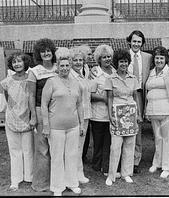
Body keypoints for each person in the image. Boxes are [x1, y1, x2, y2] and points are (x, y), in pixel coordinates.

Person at [41, 47, 83, 196]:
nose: (65, 68)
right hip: (55, 127)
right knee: (57, 157)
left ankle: (72, 183)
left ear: (70, 66)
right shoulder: (51, 82)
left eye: (67, 65)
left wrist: (81, 124)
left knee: (72, 155)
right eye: (62, 66)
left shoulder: (76, 82)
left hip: (73, 126)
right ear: (57, 67)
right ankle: (57, 187)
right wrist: (46, 126)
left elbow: (79, 105)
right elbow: (44, 105)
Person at [104, 49, 142, 186]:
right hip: (117, 113)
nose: (123, 64)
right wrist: (110, 115)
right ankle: (112, 175)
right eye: (121, 62)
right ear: (117, 63)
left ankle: (126, 173)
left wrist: (138, 115)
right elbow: (109, 98)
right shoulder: (110, 79)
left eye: (126, 61)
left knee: (129, 145)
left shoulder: (133, 78)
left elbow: (136, 97)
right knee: (115, 146)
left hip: (131, 113)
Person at [0, 52, 35, 191]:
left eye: (20, 61)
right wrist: (14, 114)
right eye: (14, 62)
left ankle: (29, 177)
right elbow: (7, 100)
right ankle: (15, 180)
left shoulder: (31, 79)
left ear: (25, 63)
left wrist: (31, 116)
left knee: (28, 150)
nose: (17, 64)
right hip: (12, 119)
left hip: (27, 118)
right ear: (11, 65)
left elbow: (31, 98)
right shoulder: (7, 81)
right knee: (14, 150)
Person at [145, 46, 169, 178]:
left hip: (168, 110)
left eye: (161, 58)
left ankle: (168, 166)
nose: (159, 60)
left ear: (165, 59)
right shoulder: (151, 72)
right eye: (157, 58)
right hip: (154, 111)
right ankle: (157, 162)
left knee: (168, 139)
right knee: (158, 138)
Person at [28, 38, 57, 192]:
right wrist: (33, 116)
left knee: (57, 148)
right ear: (39, 54)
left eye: (48, 50)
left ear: (53, 52)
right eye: (43, 51)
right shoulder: (34, 71)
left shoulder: (59, 68)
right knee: (42, 149)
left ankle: (57, 181)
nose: (46, 53)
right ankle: (41, 184)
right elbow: (31, 96)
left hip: (58, 112)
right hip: (40, 112)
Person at [126, 30, 152, 173]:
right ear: (130, 41)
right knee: (126, 126)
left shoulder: (148, 57)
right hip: (127, 95)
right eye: (134, 41)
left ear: (142, 43)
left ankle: (135, 160)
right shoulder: (123, 56)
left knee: (138, 128)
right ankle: (125, 158)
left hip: (141, 95)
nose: (136, 44)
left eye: (139, 42)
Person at [90, 44, 116, 176]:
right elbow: (90, 94)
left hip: (112, 114)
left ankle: (106, 164)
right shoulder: (95, 73)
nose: (107, 59)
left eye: (109, 56)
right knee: (99, 141)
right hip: (98, 114)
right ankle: (97, 164)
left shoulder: (115, 72)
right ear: (99, 59)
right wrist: (104, 99)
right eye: (104, 57)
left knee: (109, 141)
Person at [69, 46, 92, 183]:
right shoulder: (70, 76)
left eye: (80, 60)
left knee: (80, 146)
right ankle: (75, 174)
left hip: (86, 114)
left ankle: (78, 172)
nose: (78, 62)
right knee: (74, 147)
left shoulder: (84, 73)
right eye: (75, 60)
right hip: (75, 115)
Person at [77, 44, 94, 163]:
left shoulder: (87, 68)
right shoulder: (73, 71)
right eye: (88, 54)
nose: (90, 56)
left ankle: (82, 157)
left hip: (86, 108)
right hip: (77, 108)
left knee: (85, 136)